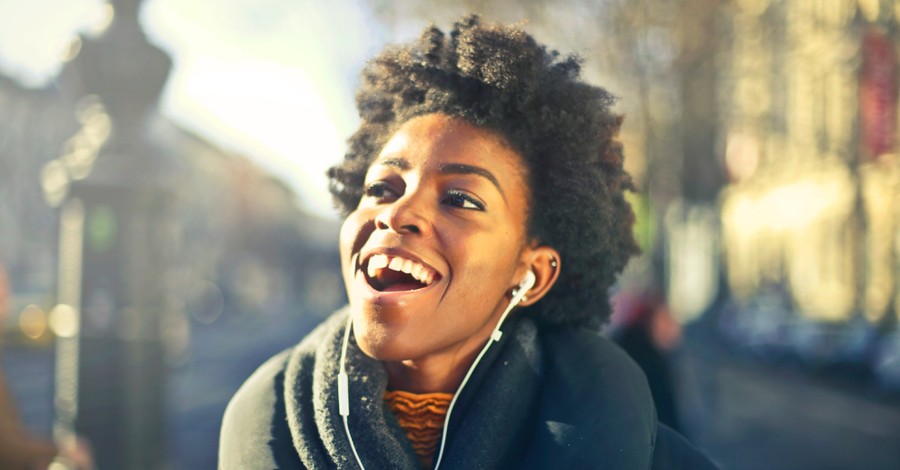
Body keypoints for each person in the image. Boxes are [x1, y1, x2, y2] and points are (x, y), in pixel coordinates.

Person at [220, 15, 717, 469]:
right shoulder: (258, 429)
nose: (396, 213)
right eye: (380, 189)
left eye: (460, 198)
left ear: (533, 273)